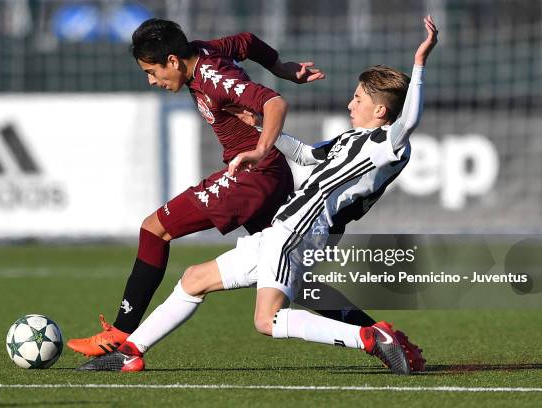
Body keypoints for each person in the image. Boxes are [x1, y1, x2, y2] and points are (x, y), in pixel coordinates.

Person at [78, 16, 439, 375]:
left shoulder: (388, 145)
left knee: (267, 320)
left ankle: (371, 339)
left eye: (357, 99)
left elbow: (408, 121)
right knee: (194, 279)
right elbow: (305, 155)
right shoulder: (349, 140)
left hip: (300, 227)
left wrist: (419, 62)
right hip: (286, 225)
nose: (350, 104)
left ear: (380, 110)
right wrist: (261, 127)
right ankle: (129, 352)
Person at [67, 17, 338, 357]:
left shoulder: (213, 77)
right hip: (265, 175)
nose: (152, 81)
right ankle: (376, 334)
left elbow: (274, 104)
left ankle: (121, 333)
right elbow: (247, 41)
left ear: (173, 62)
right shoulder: (205, 50)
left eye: (152, 72)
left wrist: (259, 149)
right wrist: (281, 66)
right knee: (284, 272)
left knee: (154, 230)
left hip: (251, 177)